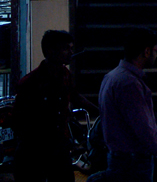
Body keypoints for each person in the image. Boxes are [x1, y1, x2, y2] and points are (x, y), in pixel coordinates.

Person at [87, 27, 157, 182]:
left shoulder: (111, 77)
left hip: (117, 157)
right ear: (146, 51)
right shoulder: (130, 84)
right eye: (156, 49)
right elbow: (145, 131)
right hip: (133, 163)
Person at [12, 29, 98, 182]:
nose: (70, 53)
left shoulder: (64, 75)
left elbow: (75, 96)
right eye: (66, 48)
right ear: (50, 50)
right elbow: (19, 120)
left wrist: (100, 111)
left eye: (71, 48)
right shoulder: (30, 83)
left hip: (58, 146)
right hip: (35, 149)